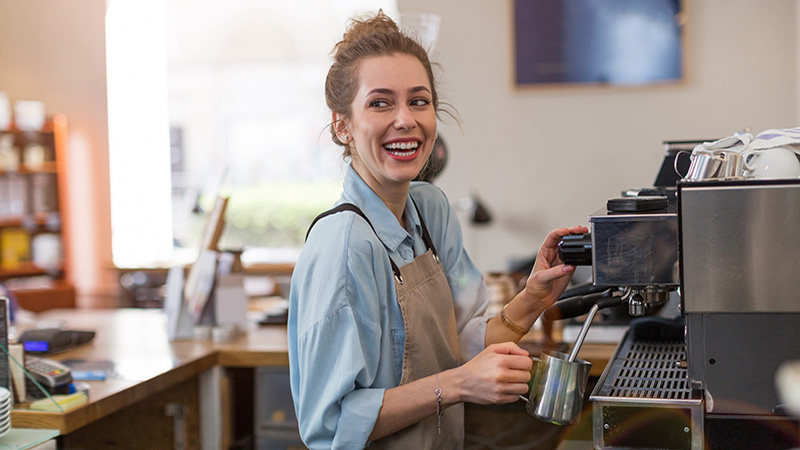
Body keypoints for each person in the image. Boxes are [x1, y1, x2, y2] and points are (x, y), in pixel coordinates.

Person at [287, 11, 587, 449]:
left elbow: (463, 343)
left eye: (419, 100)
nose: (405, 119)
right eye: (380, 102)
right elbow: (331, 425)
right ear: (342, 125)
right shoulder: (344, 245)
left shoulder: (430, 210)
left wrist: (534, 298)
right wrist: (458, 385)